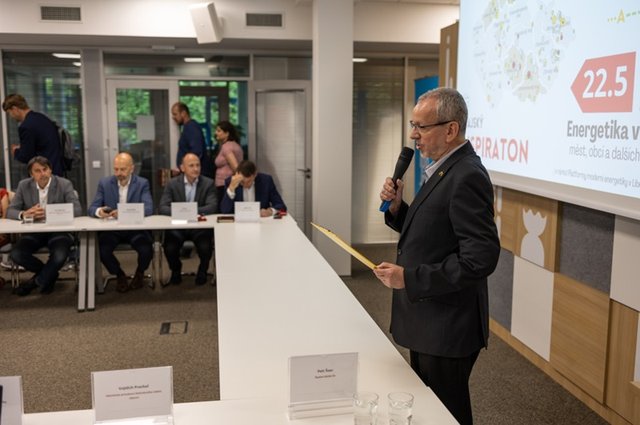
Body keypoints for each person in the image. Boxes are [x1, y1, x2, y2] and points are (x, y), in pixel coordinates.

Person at [374, 87, 500, 425]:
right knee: (430, 410)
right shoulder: (443, 169)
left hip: (447, 326)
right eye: (413, 125)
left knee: (447, 414)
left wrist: (409, 278)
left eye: (421, 127)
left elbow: (480, 259)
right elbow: (434, 233)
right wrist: (398, 208)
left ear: (450, 129)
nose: (413, 135)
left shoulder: (467, 174)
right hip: (429, 321)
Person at [7, 156, 82, 296]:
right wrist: (25, 214)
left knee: (59, 256)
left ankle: (34, 283)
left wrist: (50, 213)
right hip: (33, 231)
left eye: (45, 169)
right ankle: (49, 275)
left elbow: (77, 210)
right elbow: (10, 211)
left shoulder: (64, 184)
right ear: (31, 174)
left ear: (50, 170)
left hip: (58, 231)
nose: (43, 174)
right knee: (16, 254)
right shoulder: (24, 185)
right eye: (38, 171)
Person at [88, 152, 154, 293]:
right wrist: (99, 211)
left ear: (132, 168)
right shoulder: (105, 183)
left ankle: (140, 273)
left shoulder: (142, 183)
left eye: (123, 169)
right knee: (103, 250)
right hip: (112, 229)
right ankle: (119, 274)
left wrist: (124, 213)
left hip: (135, 228)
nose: (119, 173)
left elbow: (148, 209)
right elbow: (92, 208)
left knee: (146, 249)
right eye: (116, 169)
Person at [158, 153, 217, 286]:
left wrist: (189, 212)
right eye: (191, 166)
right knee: (170, 247)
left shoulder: (208, 183)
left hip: (199, 227)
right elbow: (162, 207)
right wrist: (182, 214)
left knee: (205, 247)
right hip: (178, 226)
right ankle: (176, 269)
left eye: (198, 165)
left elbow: (212, 207)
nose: (195, 169)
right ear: (182, 168)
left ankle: (203, 270)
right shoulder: (172, 184)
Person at [2, 94, 65, 176]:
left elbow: (26, 156)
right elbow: (41, 143)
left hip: (43, 174)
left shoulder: (26, 126)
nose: (11, 117)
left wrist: (16, 151)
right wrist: (23, 147)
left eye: (9, 113)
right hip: (55, 168)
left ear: (15, 109)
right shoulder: (41, 117)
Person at [219, 160, 286, 217]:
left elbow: (281, 206)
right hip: (238, 223)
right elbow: (224, 211)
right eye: (242, 182)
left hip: (262, 222)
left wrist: (270, 211)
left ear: (255, 175)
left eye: (248, 182)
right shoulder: (230, 182)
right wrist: (231, 188)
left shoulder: (266, 181)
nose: (245, 185)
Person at [171, 102, 214, 179]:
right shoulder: (187, 128)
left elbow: (197, 151)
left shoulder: (191, 127)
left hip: (196, 175)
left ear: (183, 113)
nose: (173, 117)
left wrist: (185, 167)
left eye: (175, 114)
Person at [213, 120, 243, 206]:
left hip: (225, 185)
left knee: (223, 209)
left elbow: (236, 167)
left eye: (219, 131)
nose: (216, 133)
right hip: (228, 184)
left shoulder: (226, 147)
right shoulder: (235, 145)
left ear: (227, 133)